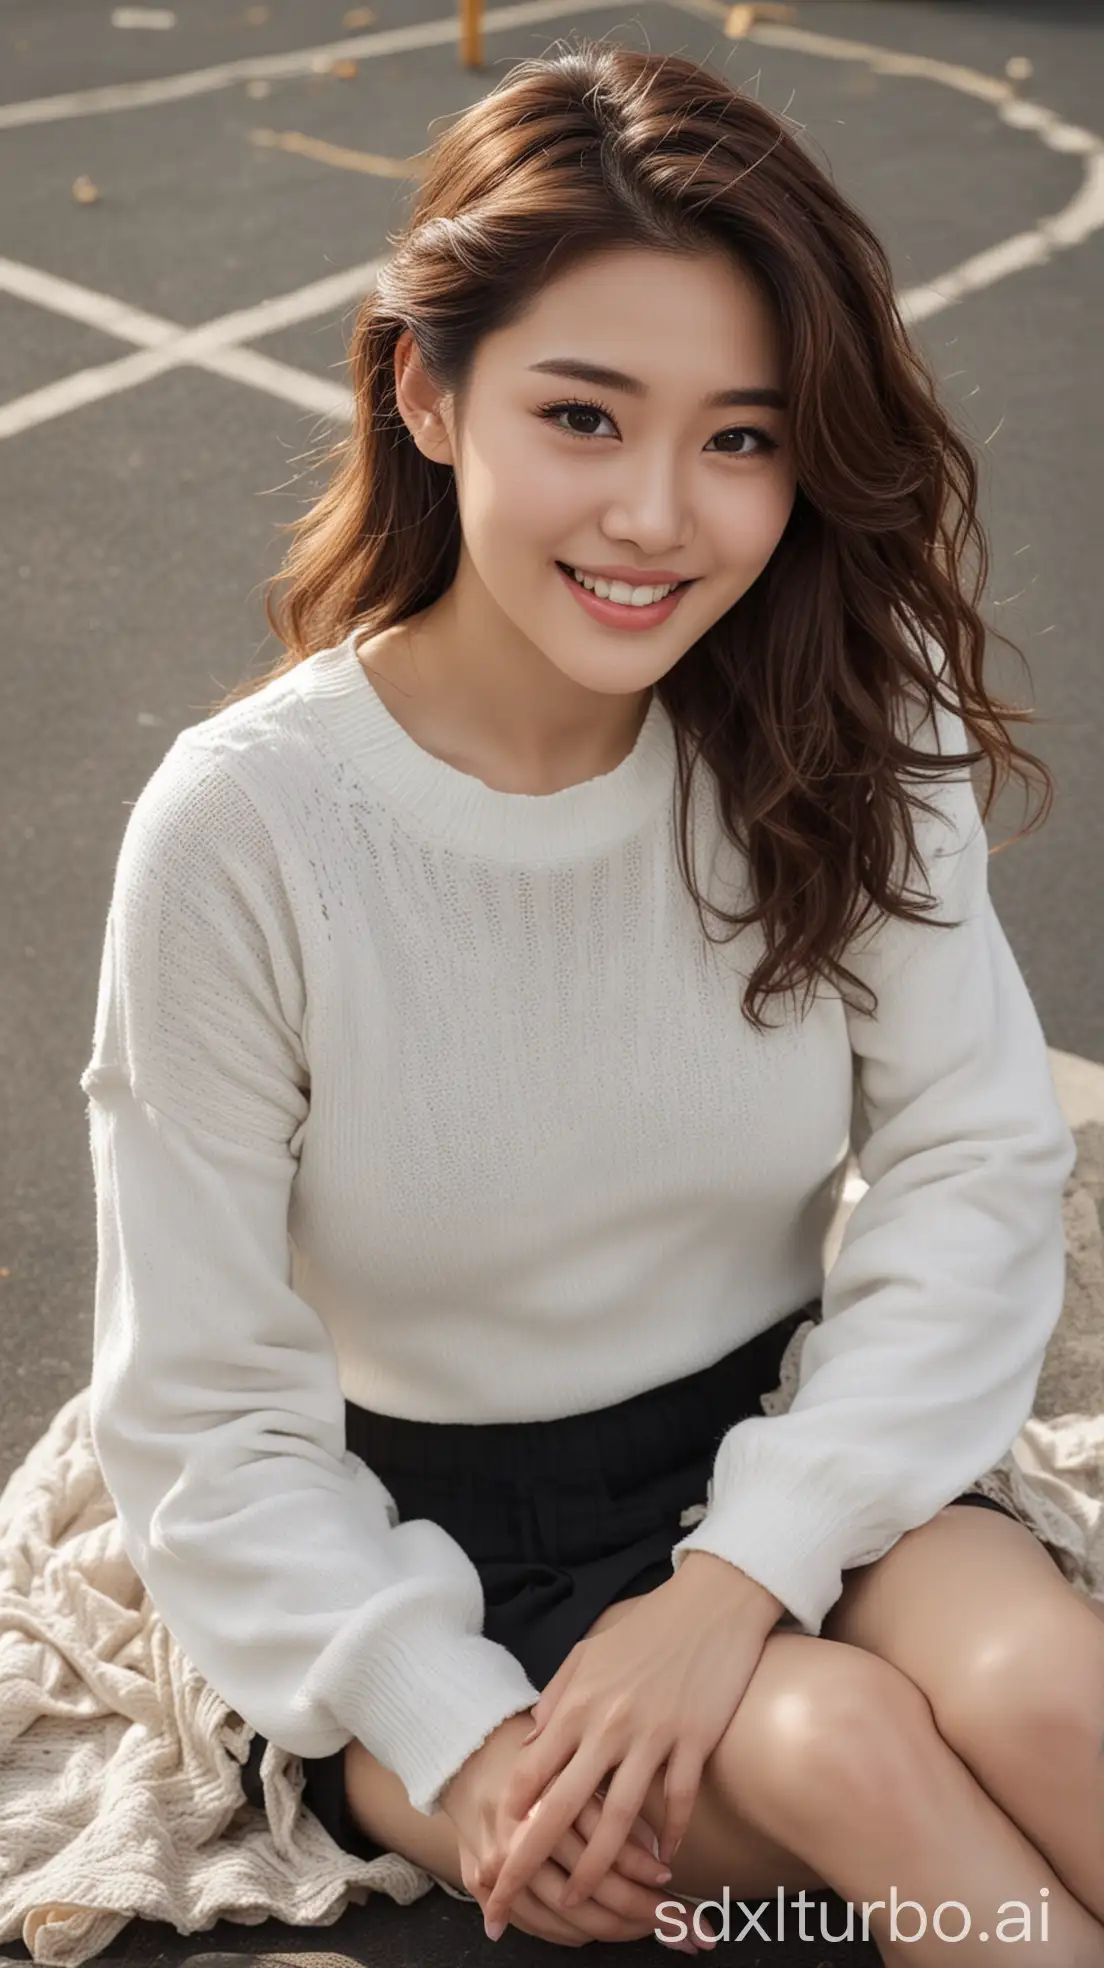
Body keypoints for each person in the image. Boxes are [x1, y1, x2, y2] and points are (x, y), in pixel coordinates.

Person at [81, 37, 1104, 1967]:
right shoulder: (248, 829)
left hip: (791, 1442)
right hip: (407, 1546)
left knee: (1059, 1704)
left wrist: (738, 1571)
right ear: (428, 388)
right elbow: (209, 1420)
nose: (659, 516)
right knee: (850, 1751)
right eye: (584, 416)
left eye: (741, 437)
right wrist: (463, 1748)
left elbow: (973, 1159)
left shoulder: (849, 712)